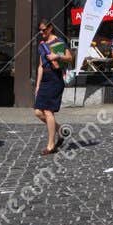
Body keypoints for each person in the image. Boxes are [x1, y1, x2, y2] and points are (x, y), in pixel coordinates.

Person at [32, 19, 67, 155]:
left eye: (44, 29)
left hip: (55, 78)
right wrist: (38, 85)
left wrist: (57, 55)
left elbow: (70, 57)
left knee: (48, 111)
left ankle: (51, 145)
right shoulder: (42, 45)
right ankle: (61, 131)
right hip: (45, 79)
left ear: (50, 28)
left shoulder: (58, 42)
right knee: (38, 112)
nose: (42, 32)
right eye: (40, 30)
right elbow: (41, 65)